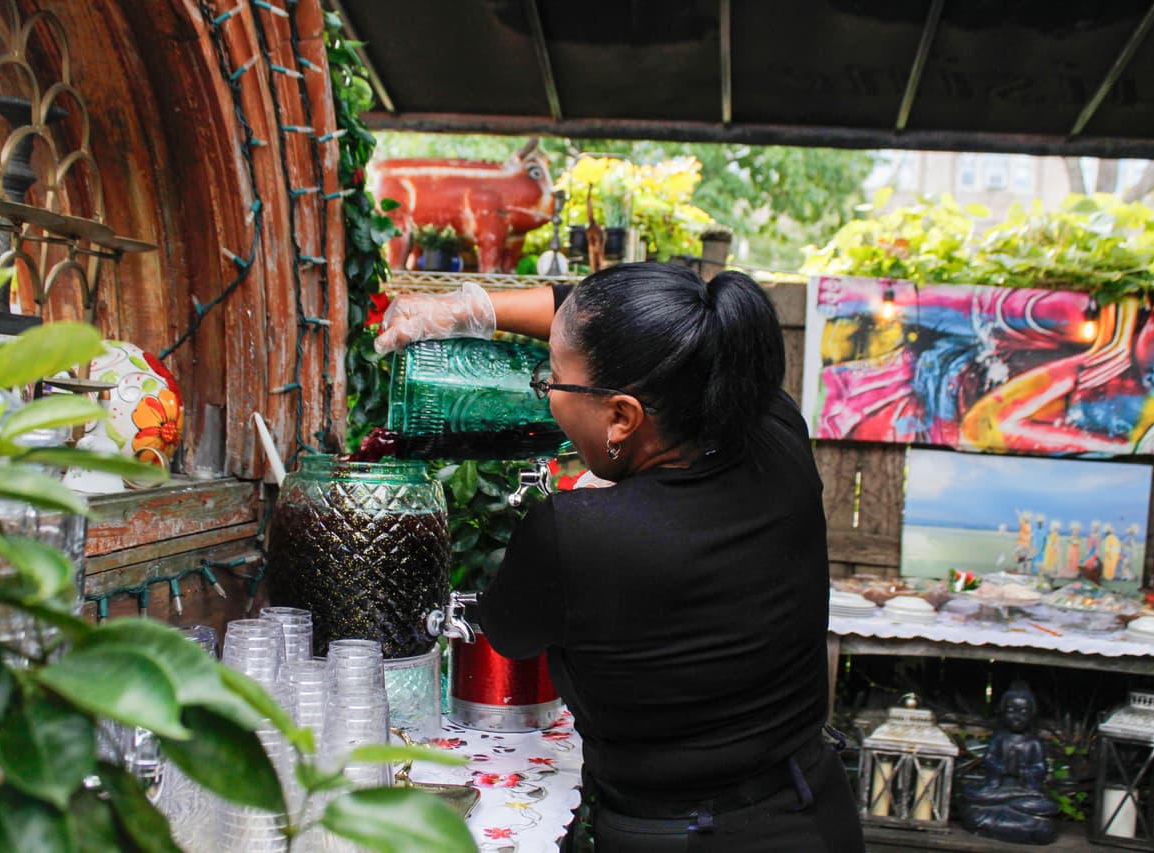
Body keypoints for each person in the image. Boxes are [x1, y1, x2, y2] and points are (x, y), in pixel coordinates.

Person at [378, 263, 864, 852]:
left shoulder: (576, 535)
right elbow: (636, 319)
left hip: (675, 836)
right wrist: (471, 307)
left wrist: (592, 505)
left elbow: (508, 632)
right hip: (813, 812)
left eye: (552, 381)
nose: (548, 396)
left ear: (621, 417)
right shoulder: (776, 428)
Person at [960, 682, 1059, 844]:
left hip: (1024, 793)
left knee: (1047, 809)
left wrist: (1022, 772)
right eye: (1011, 710)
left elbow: (1040, 768)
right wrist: (1003, 769)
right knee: (971, 796)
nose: (1017, 716)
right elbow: (989, 760)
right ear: (1003, 712)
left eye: (1023, 711)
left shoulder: (1034, 743)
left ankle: (1007, 814)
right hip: (999, 789)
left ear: (1032, 713)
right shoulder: (999, 738)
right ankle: (1010, 812)